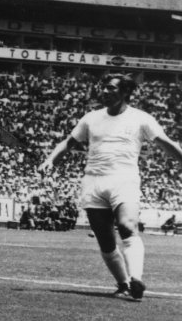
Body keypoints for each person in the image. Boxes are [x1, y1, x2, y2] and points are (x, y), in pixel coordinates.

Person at [39, 74, 182, 301]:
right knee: (105, 240)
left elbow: (165, 143)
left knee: (127, 225)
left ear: (125, 92)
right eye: (103, 87)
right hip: (93, 181)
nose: (105, 91)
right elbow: (68, 142)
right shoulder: (91, 118)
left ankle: (136, 278)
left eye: (111, 88)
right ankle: (124, 284)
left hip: (124, 179)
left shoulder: (141, 119)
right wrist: (50, 160)